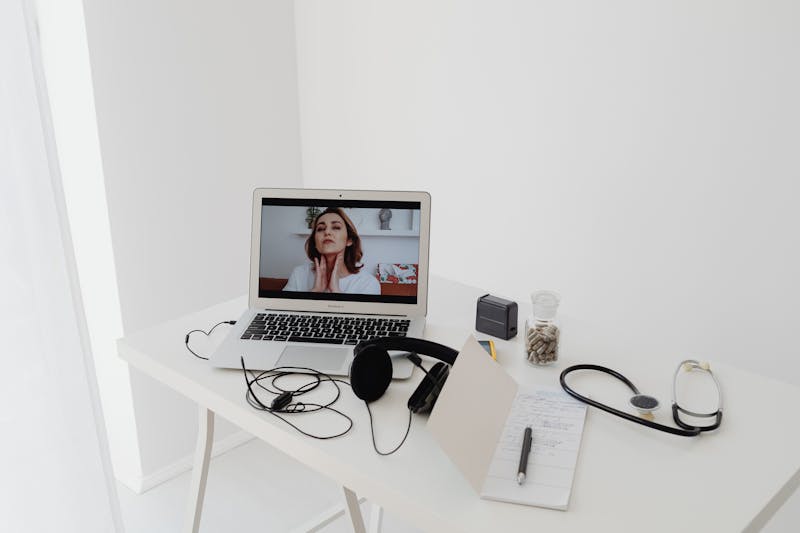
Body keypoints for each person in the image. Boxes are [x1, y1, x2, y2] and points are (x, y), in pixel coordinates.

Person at [284, 207, 381, 294]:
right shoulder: (299, 274)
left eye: (336, 227)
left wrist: (336, 291)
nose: (327, 232)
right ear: (315, 242)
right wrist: (315, 291)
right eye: (320, 229)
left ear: (349, 240)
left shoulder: (368, 283)